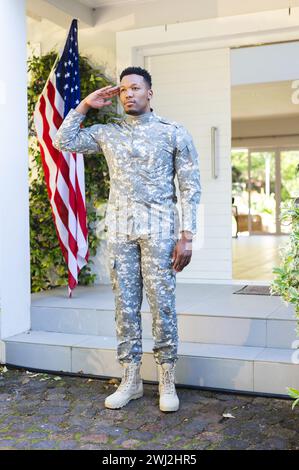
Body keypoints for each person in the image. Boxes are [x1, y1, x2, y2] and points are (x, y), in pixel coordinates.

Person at [53, 66, 201, 412]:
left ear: (150, 93)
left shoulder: (173, 132)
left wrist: (188, 236)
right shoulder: (108, 132)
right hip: (120, 230)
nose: (128, 94)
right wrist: (86, 105)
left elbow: (190, 187)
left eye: (135, 88)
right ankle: (131, 379)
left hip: (160, 230)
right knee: (126, 306)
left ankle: (166, 379)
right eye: (122, 90)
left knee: (162, 305)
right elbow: (63, 141)